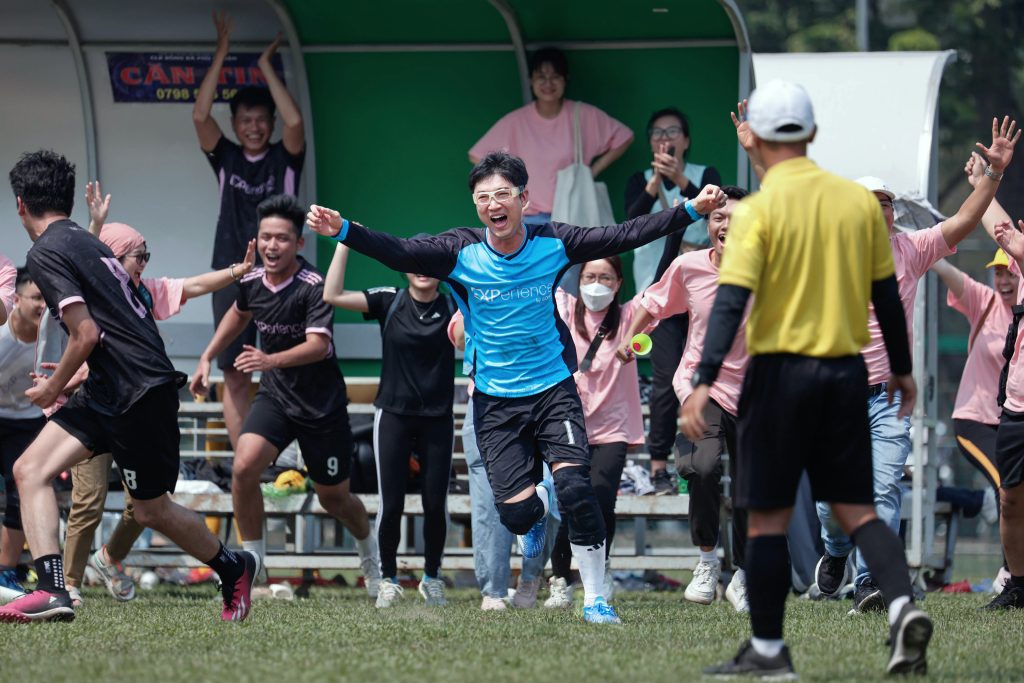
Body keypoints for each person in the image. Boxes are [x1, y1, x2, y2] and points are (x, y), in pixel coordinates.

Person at [307, 150, 725, 624]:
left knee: (576, 488)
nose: (493, 204)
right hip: (495, 402)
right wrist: (344, 230)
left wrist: (689, 210)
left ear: (524, 199)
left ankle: (595, 598)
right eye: (483, 198)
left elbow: (624, 234)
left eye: (503, 194)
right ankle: (537, 505)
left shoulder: (553, 242)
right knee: (516, 515)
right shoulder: (458, 251)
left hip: (553, 390)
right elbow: (399, 251)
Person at [681, 81, 930, 677]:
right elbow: (885, 295)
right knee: (859, 510)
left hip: (778, 376)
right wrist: (901, 368)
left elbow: (731, 302)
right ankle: (901, 607)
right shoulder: (855, 204)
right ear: (813, 132)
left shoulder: (758, 212)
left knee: (767, 518)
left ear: (760, 137)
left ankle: (769, 651)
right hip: (847, 374)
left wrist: (704, 379)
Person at [2, 150, 258, 624]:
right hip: (112, 387)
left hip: (137, 389)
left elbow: (86, 333)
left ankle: (232, 566)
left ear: (21, 204)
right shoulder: (86, 242)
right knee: (30, 470)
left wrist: (53, 386)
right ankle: (54, 590)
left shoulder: (46, 252)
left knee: (151, 510)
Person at [806, 123, 1019, 611]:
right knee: (831, 503)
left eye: (886, 204)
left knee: (883, 489)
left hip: (886, 399)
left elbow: (965, 219)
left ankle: (869, 581)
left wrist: (993, 174)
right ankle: (835, 551)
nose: (880, 210)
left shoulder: (910, 249)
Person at [60, 182, 257, 607]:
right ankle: (68, 585)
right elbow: (80, 266)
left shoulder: (145, 292)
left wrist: (236, 272)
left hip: (134, 408)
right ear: (114, 259)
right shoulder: (89, 293)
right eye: (139, 255)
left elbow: (195, 285)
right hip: (93, 404)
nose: (145, 262)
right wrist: (94, 225)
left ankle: (108, 558)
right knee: (87, 499)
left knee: (147, 504)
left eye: (147, 254)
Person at [190, 194, 381, 599]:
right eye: (265, 237)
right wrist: (206, 356)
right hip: (276, 398)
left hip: (321, 406)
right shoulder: (252, 280)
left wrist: (269, 360)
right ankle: (254, 568)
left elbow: (318, 346)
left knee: (334, 498)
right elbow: (238, 313)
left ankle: (371, 555)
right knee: (244, 466)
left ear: (299, 243)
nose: (271, 246)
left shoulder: (312, 286)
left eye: (281, 238)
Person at [620, 185, 750, 611]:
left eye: (736, 218)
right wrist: (630, 338)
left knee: (752, 486)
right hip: (700, 386)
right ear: (708, 223)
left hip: (755, 391)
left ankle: (743, 574)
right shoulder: (689, 266)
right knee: (704, 466)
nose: (725, 225)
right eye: (718, 217)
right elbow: (654, 301)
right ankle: (707, 561)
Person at [192, 11, 306, 452]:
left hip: (285, 277)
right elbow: (200, 115)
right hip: (232, 274)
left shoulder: (286, 155)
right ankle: (246, 466)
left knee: (287, 367)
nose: (254, 127)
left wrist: (264, 67)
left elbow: (295, 124)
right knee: (235, 374)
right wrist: (221, 54)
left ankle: (286, 460)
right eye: (245, 120)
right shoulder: (227, 158)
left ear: (270, 123)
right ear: (236, 124)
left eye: (261, 119)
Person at [323, 241, 455, 607]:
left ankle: (432, 578)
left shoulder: (454, 305)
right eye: (415, 261)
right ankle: (388, 580)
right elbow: (332, 295)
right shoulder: (389, 300)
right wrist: (345, 242)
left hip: (438, 418)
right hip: (393, 415)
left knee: (435, 503)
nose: (422, 269)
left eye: (430, 263)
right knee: (391, 503)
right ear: (404, 267)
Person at [624, 108, 723, 495]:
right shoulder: (639, 180)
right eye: (657, 132)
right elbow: (631, 222)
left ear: (686, 140)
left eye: (672, 131)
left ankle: (699, 456)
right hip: (658, 296)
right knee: (665, 380)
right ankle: (658, 467)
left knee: (703, 375)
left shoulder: (704, 175)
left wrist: (680, 179)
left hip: (703, 293)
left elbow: (716, 209)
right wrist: (656, 181)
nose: (664, 138)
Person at [547, 255, 650, 606]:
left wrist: (675, 228)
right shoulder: (565, 309)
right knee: (571, 500)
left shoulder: (632, 317)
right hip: (569, 423)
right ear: (578, 280)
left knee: (603, 499)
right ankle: (560, 579)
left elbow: (659, 286)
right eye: (589, 276)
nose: (596, 284)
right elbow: (547, 275)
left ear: (619, 283)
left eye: (606, 277)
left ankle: (600, 570)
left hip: (613, 427)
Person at [448, 311, 558, 611]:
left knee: (548, 494)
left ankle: (530, 579)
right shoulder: (480, 288)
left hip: (543, 399)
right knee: (489, 505)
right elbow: (459, 338)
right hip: (488, 402)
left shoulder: (547, 289)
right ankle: (493, 591)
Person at [469, 46, 633, 227]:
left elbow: (624, 136)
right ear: (531, 80)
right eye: (541, 77)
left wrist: (591, 171)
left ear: (565, 79)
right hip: (529, 218)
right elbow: (476, 155)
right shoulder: (516, 121)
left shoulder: (581, 114)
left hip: (574, 215)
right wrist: (509, 186)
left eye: (555, 76)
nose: (548, 83)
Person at [0, 267, 45, 600]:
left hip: (28, 422)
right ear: (16, 299)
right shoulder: (1, 333)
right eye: (36, 298)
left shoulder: (56, 332)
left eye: (48, 299)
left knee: (20, 495)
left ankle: (6, 573)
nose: (43, 305)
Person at [986, 216, 1024, 609]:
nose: (1004, 278)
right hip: (1015, 406)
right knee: (1009, 500)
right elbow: (994, 220)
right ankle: (1017, 586)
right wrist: (985, 184)